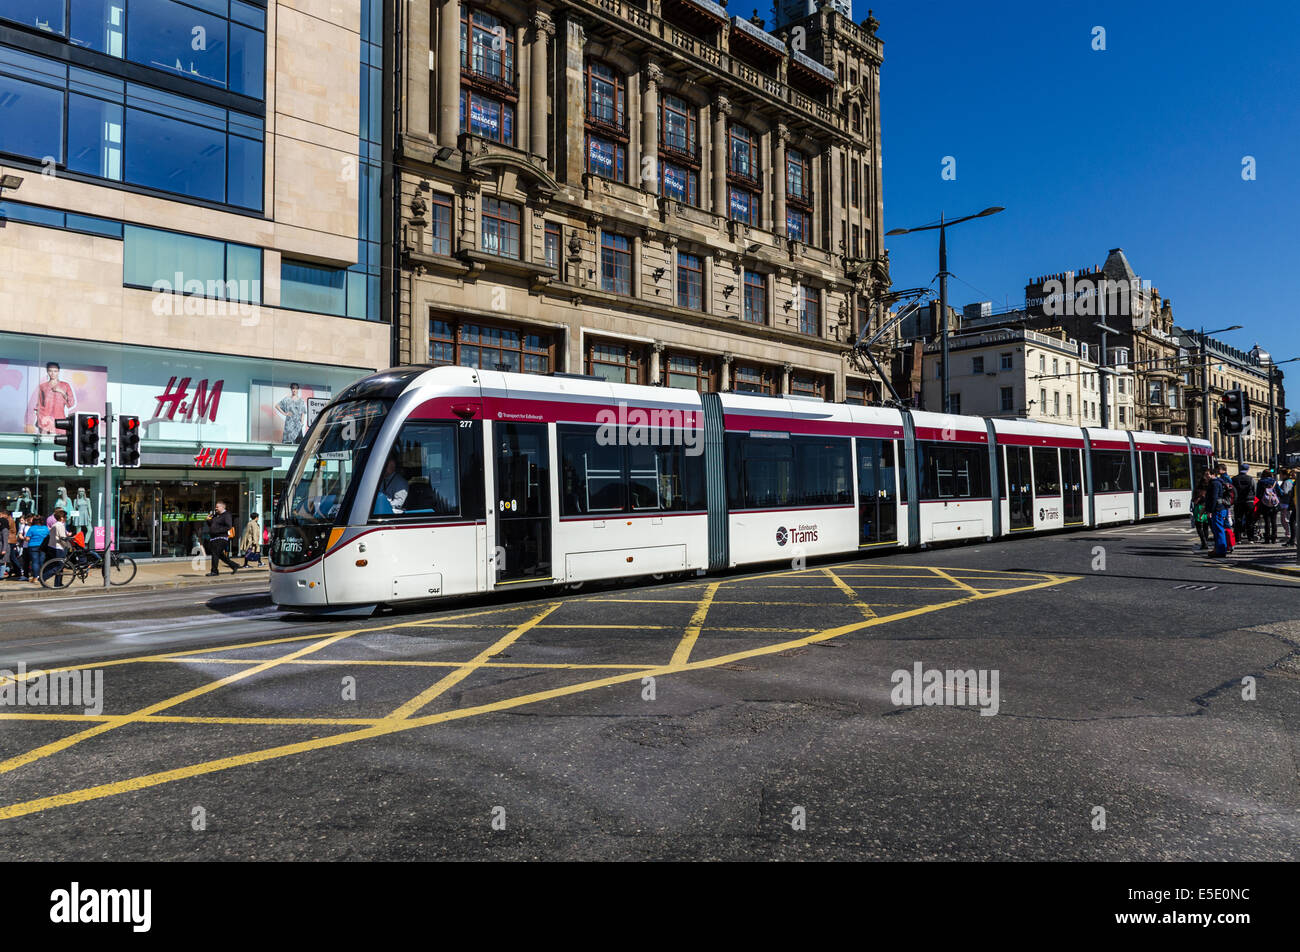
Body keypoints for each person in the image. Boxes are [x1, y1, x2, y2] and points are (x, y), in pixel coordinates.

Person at [34, 361, 77, 434]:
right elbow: (39, 405)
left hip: (60, 421)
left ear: (58, 372)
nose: (53, 373)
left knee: (60, 442)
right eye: (50, 371)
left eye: (55, 371)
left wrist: (62, 392)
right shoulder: (43, 386)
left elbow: (71, 404)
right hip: (45, 421)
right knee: (45, 443)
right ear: (47, 371)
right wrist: (40, 420)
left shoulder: (65, 385)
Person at [204, 501, 240, 576]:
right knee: (220, 555)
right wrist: (208, 520)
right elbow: (212, 525)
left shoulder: (226, 515)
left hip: (221, 537)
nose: (216, 508)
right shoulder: (216, 515)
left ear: (222, 507)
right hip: (214, 538)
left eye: (217, 507)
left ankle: (214, 571)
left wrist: (217, 531)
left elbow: (228, 526)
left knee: (215, 554)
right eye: (216, 507)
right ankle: (234, 565)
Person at [1207, 462, 1234, 558]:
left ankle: (1221, 551)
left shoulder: (1215, 483)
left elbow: (1213, 498)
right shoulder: (1219, 481)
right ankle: (1220, 549)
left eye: (1207, 474)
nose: (1206, 476)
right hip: (1221, 508)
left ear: (1213, 474)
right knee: (1219, 529)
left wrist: (1210, 510)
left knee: (1219, 530)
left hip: (1218, 509)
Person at [1256, 468, 1281, 544]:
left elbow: (1258, 494)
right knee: (1274, 521)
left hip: (1264, 504)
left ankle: (1267, 538)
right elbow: (1280, 492)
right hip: (1274, 504)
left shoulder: (1260, 482)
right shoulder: (1274, 482)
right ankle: (1274, 538)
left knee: (1267, 521)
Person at [1231, 464, 1255, 543]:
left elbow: (1231, 490)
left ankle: (1238, 539)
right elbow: (1255, 490)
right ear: (1247, 470)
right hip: (1249, 501)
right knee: (1250, 520)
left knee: (1238, 520)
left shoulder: (1234, 479)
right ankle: (1250, 538)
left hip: (1238, 502)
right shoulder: (1251, 479)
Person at [1191, 471, 1213, 551]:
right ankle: (1205, 542)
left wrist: (1198, 498)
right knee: (1206, 526)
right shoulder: (1210, 487)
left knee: (1199, 526)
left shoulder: (1197, 489)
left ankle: (1204, 542)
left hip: (1199, 508)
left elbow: (1194, 500)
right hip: (1207, 507)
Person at [25, 514, 50, 583]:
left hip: (33, 546)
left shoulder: (32, 528)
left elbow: (27, 539)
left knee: (35, 562)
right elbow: (49, 536)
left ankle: (35, 577)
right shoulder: (46, 528)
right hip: (43, 546)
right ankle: (42, 577)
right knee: (42, 562)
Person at [1279, 469, 1296, 545]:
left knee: (1286, 520)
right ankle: (1291, 537)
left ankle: (1289, 536)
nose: (1292, 475)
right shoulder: (1292, 481)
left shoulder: (1287, 482)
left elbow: (1285, 492)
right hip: (1291, 503)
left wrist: (1278, 490)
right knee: (1289, 520)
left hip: (1286, 503)